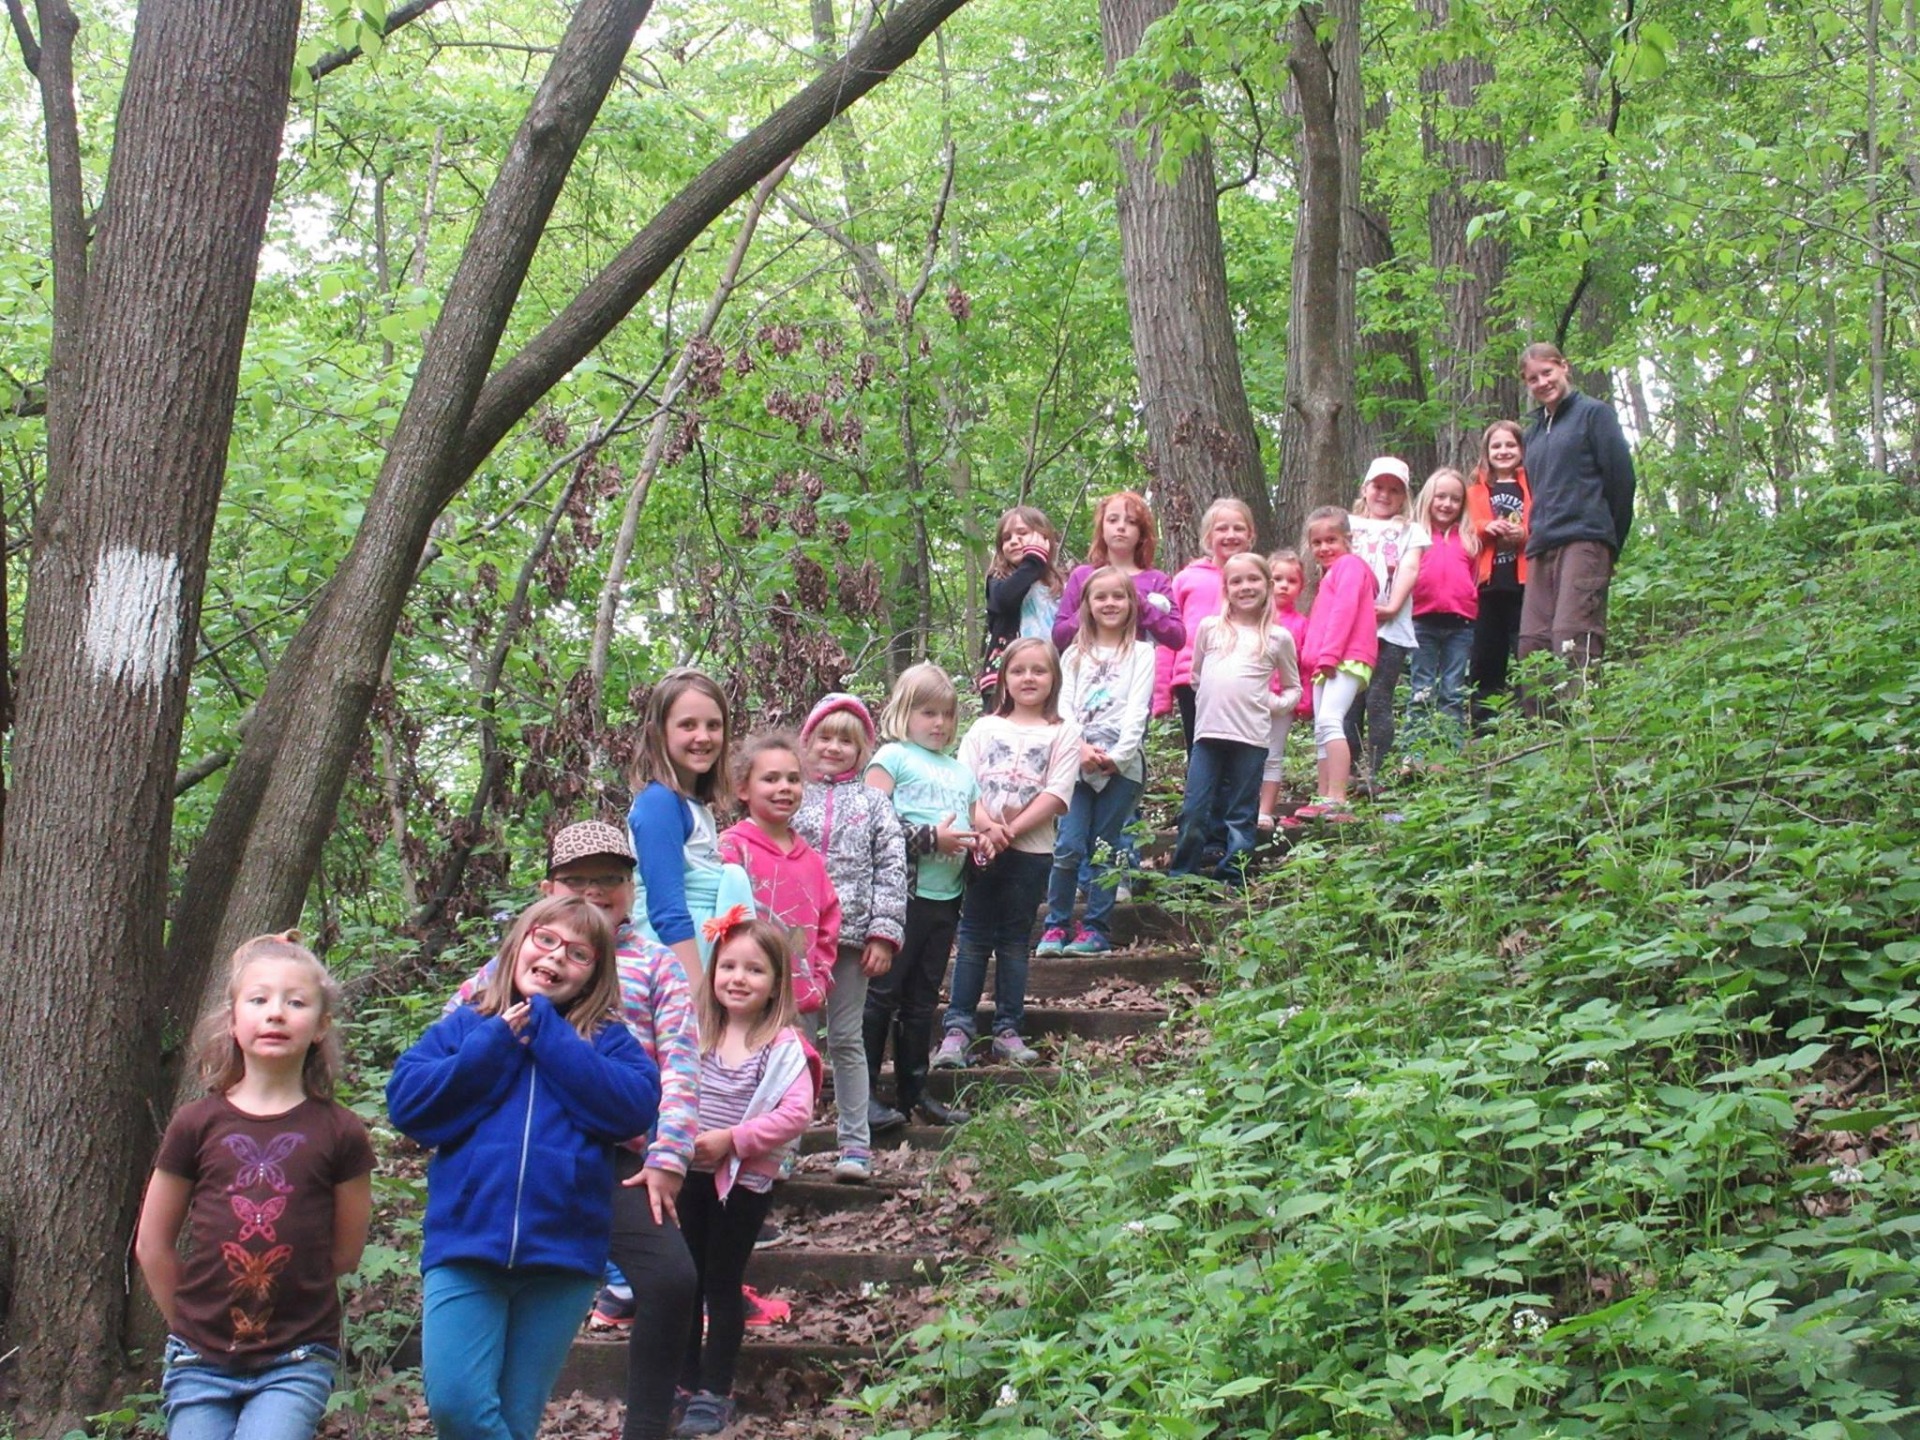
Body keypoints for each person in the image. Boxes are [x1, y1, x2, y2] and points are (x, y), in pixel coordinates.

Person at [445, 821, 699, 1440]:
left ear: (631, 888)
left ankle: (645, 1427)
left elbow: (683, 1066)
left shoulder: (656, 966)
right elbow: (455, 1040)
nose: (595, 892)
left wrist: (669, 1156)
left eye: (609, 880)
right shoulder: (512, 962)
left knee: (672, 1279)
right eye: (577, 880)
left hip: (620, 1154)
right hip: (521, 1151)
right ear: (549, 888)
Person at [388, 896, 660, 1440]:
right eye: (547, 940)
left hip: (563, 1259)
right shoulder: (468, 1026)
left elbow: (634, 1107)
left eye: (579, 954)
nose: (557, 959)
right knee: (458, 1406)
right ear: (518, 944)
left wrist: (550, 1035)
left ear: (593, 977)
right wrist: (496, 1042)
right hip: (465, 1247)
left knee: (515, 1419)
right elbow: (409, 1104)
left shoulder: (606, 1041)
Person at [135, 934, 375, 1440]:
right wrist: (189, 1326)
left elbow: (346, 1253)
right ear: (233, 1020)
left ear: (321, 1026)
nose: (276, 1013)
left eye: (296, 1002)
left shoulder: (342, 1132)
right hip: (198, 1357)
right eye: (259, 999)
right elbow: (152, 1243)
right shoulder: (195, 1124)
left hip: (297, 1355)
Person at [671, 912, 818, 1438]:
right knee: (683, 1278)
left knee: (721, 1279)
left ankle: (715, 1389)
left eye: (754, 970)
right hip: (686, 1174)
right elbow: (666, 1087)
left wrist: (732, 1140)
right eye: (728, 966)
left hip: (744, 1183)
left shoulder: (780, 1047)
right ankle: (683, 1380)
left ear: (776, 982)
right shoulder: (695, 1032)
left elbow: (795, 1113)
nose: (738, 978)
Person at [935, 639, 1080, 1066]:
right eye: (1019, 670)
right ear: (1004, 679)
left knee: (1015, 941)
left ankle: (1008, 1029)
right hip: (980, 848)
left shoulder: (1064, 732)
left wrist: (1010, 830)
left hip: (1033, 852)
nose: (1029, 678)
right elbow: (964, 784)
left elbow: (1057, 793)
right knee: (974, 936)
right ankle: (958, 1028)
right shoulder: (984, 728)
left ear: (1054, 678)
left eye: (1039, 670)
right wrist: (986, 827)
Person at [792, 694, 909, 1183]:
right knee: (794, 1041)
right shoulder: (790, 793)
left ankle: (855, 1145)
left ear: (863, 750)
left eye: (847, 739)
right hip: (793, 941)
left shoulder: (874, 802)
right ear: (808, 742)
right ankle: (783, 1144)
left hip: (852, 938)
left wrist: (884, 934)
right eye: (826, 737)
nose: (835, 747)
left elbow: (892, 868)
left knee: (846, 1039)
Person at [863, 663, 980, 1126]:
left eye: (948, 715)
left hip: (946, 897)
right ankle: (865, 1094)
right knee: (883, 994)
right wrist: (933, 839)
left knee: (923, 998)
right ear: (904, 713)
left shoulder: (961, 772)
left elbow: (975, 822)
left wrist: (981, 842)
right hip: (899, 898)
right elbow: (873, 825)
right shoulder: (892, 758)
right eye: (928, 713)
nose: (939, 724)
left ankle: (915, 1092)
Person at [1036, 568, 1156, 957]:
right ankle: (1056, 925)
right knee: (1069, 845)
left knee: (1105, 847)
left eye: (1118, 597)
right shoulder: (1074, 654)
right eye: (1100, 597)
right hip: (1075, 763)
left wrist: (1118, 757)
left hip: (1121, 769)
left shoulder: (1141, 653)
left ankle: (1097, 929)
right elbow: (1064, 707)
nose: (1109, 604)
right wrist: (1081, 748)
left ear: (1131, 603)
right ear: (1086, 604)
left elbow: (1139, 710)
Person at [1168, 554, 1299, 884]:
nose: (1245, 587)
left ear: (1268, 586)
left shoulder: (1277, 637)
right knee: (1195, 809)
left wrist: (1272, 702)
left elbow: (1293, 687)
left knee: (1241, 814)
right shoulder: (1210, 629)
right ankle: (1182, 876)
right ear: (1225, 589)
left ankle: (1232, 876)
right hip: (1208, 735)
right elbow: (1196, 676)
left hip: (1252, 739)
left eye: (1253, 579)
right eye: (1236, 581)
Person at [1517, 342, 1637, 686]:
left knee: (1572, 636)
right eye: (1532, 379)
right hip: (1542, 545)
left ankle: (1581, 728)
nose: (1542, 382)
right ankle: (1540, 731)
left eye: (1547, 373)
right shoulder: (1535, 433)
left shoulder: (1594, 414)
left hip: (1585, 539)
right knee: (1533, 643)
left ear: (1564, 367)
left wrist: (1609, 542)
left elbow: (1621, 481)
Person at [626, 668, 755, 984]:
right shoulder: (659, 803)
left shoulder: (694, 806)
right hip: (673, 965)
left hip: (704, 950)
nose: (703, 737)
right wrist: (695, 992)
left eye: (714, 725)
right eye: (687, 725)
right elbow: (666, 909)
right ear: (659, 733)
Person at [719, 731, 842, 1017]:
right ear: (743, 789)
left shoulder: (812, 861)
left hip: (797, 1002)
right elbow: (717, 919)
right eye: (771, 779)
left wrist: (819, 982)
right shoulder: (731, 848)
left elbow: (829, 921)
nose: (784, 787)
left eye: (793, 779)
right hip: (740, 1002)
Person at [1345, 457, 1430, 785]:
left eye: (1394, 489)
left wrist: (1394, 605)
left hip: (1389, 629)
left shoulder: (1412, 530)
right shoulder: (1347, 524)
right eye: (1378, 486)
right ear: (1365, 489)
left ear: (1404, 496)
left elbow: (1410, 567)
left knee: (1378, 698)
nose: (1384, 494)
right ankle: (1348, 772)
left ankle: (1375, 774)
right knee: (1350, 701)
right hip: (1350, 629)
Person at [1296, 508, 1378, 821]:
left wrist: (1329, 656)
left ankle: (1338, 797)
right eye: (1317, 542)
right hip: (1326, 661)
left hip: (1346, 657)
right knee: (1322, 728)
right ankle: (1323, 794)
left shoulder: (1350, 566)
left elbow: (1344, 612)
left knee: (1331, 720)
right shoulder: (1331, 574)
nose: (1324, 548)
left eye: (1331, 539)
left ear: (1348, 539)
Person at [1161, 498, 1256, 752]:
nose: (1230, 535)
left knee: (1238, 749)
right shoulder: (1187, 578)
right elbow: (1168, 636)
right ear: (1207, 536)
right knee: (1200, 748)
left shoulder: (1257, 581)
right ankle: (1199, 793)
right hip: (1192, 678)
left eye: (1238, 528)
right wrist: (1161, 694)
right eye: (1222, 528)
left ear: (1250, 535)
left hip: (1243, 677)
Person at [1050, 491, 1185, 653]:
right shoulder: (1082, 576)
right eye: (1113, 520)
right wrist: (1090, 610)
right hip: (1088, 669)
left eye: (1131, 522)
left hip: (1136, 670)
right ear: (1102, 528)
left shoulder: (1156, 580)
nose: (1121, 527)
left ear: (1141, 533)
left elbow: (1178, 637)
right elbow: (1059, 636)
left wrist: (1141, 604)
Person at [1408, 468, 1479, 750]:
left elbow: (1473, 577)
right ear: (1428, 498)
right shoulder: (1416, 536)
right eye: (1441, 497)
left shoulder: (1469, 539)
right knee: (1422, 687)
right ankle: (1415, 751)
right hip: (1422, 621)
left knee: (1453, 689)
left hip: (1460, 624)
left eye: (1455, 499)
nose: (1447, 504)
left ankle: (1451, 753)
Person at [1465, 419, 1531, 715]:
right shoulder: (1476, 490)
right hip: (1487, 587)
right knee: (1486, 656)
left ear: (1521, 449)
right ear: (1486, 451)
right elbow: (1466, 527)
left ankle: (1528, 720)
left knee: (1526, 652)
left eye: (1510, 445)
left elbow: (1542, 522)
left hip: (1525, 585)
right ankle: (1483, 725)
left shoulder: (1531, 484)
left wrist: (1525, 533)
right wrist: (1486, 527)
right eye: (1497, 446)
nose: (1503, 451)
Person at [978, 506, 1064, 709]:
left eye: (1022, 533)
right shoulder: (998, 579)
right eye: (1006, 538)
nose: (1013, 541)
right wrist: (1033, 562)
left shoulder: (1059, 584)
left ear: (1044, 538)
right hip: (1003, 678)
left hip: (1048, 675)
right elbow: (1006, 599)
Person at [1258, 549, 1312, 832]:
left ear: (1300, 587)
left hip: (1282, 701)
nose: (1283, 585)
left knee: (1273, 754)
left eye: (1291, 581)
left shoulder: (1302, 624)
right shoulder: (1254, 619)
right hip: (1249, 700)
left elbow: (1304, 666)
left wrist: (1303, 702)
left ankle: (1265, 811)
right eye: (1276, 578)